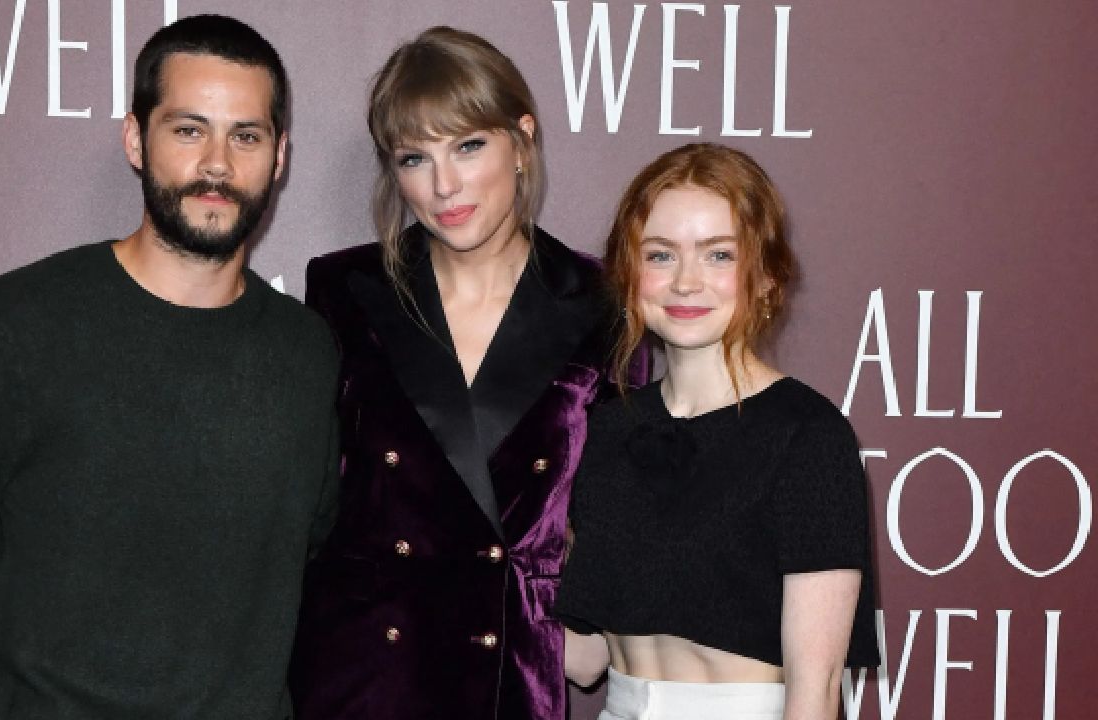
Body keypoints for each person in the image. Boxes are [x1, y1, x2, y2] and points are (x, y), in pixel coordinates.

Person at [0, 15, 339, 720]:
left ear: (278, 157)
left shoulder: (308, 353)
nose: (217, 164)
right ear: (135, 139)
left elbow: (316, 563)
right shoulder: (14, 323)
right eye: (189, 129)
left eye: (245, 135)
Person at [289, 26, 645, 720]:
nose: (444, 185)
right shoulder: (346, 290)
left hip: (508, 673)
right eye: (414, 157)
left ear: (522, 137)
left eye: (468, 145)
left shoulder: (605, 305)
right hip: (362, 674)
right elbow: (309, 498)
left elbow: (621, 510)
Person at [555, 143, 880, 720]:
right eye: (659, 256)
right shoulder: (603, 430)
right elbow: (584, 660)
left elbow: (818, 687)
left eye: (718, 256)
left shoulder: (808, 435)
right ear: (628, 275)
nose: (685, 283)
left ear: (767, 279)